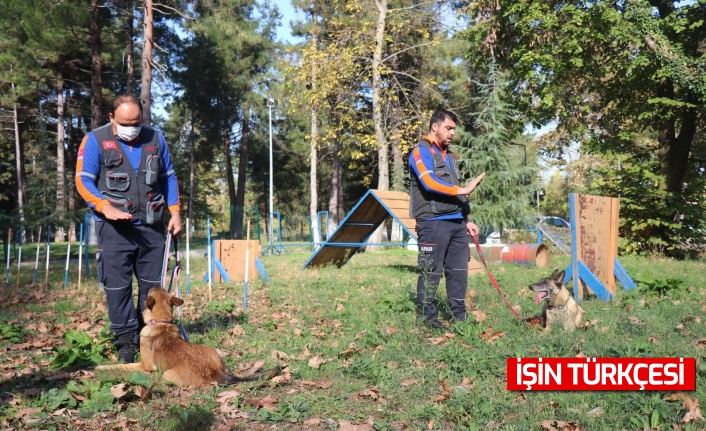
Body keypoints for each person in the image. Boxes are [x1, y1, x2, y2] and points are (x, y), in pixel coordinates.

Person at [76, 94, 182, 362]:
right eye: (125, 122)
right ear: (112, 118)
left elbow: (168, 177)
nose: (132, 127)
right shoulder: (94, 141)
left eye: (137, 121)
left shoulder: (155, 138)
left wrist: (176, 211)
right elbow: (83, 181)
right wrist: (103, 206)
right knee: (117, 287)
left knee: (152, 289)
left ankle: (152, 336)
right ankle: (126, 341)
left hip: (152, 226)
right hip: (113, 229)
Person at [408, 109, 485, 329]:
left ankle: (460, 317)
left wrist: (466, 219)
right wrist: (465, 187)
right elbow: (429, 182)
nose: (452, 133)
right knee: (430, 272)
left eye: (454, 129)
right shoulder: (419, 152)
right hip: (431, 223)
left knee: (459, 272)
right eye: (448, 128)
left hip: (458, 224)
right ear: (435, 127)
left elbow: (457, 195)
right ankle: (427, 318)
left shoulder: (451, 157)